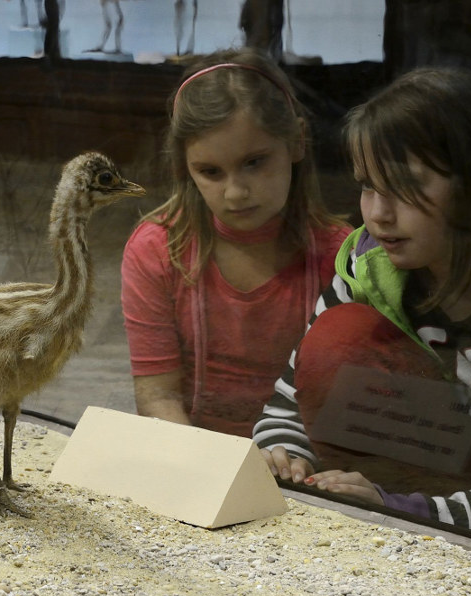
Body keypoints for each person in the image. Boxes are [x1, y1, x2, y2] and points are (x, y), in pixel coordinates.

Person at [253, 65, 471, 550]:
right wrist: (283, 456)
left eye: (406, 188)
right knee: (339, 336)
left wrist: (398, 511)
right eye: (368, 185)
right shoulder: (370, 263)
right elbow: (285, 408)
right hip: (443, 490)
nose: (377, 214)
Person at [121, 47, 350, 437]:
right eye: (210, 171)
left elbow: (346, 406)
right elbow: (159, 398)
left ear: (297, 141)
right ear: (184, 166)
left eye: (254, 162)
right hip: (196, 457)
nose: (236, 193)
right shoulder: (157, 251)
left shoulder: (343, 257)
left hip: (304, 459)